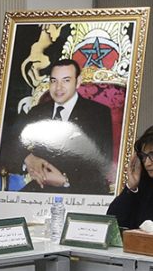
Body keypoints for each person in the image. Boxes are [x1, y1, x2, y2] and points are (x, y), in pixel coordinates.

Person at [14, 57, 115, 189]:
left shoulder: (98, 113)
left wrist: (65, 181)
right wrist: (28, 158)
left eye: (66, 80)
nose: (58, 87)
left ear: (78, 82)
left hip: (81, 189)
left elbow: (102, 164)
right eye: (54, 81)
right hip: (40, 187)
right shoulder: (37, 111)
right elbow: (10, 143)